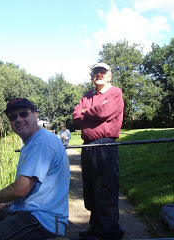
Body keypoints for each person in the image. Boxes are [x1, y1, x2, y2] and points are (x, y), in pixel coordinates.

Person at [0, 97, 70, 240]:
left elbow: (21, 189)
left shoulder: (42, 142)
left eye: (23, 114)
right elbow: (34, 190)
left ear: (34, 115)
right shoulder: (30, 143)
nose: (18, 119)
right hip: (30, 213)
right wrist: (3, 203)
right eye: (13, 117)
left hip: (43, 221)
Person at [72, 63, 124, 240]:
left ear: (109, 76)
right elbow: (76, 117)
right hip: (88, 146)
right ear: (92, 76)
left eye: (103, 72)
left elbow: (106, 111)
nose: (99, 74)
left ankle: (110, 232)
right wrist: (91, 114)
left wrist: (87, 113)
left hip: (104, 146)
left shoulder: (115, 92)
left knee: (105, 189)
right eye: (96, 72)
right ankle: (95, 227)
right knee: (90, 188)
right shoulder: (87, 96)